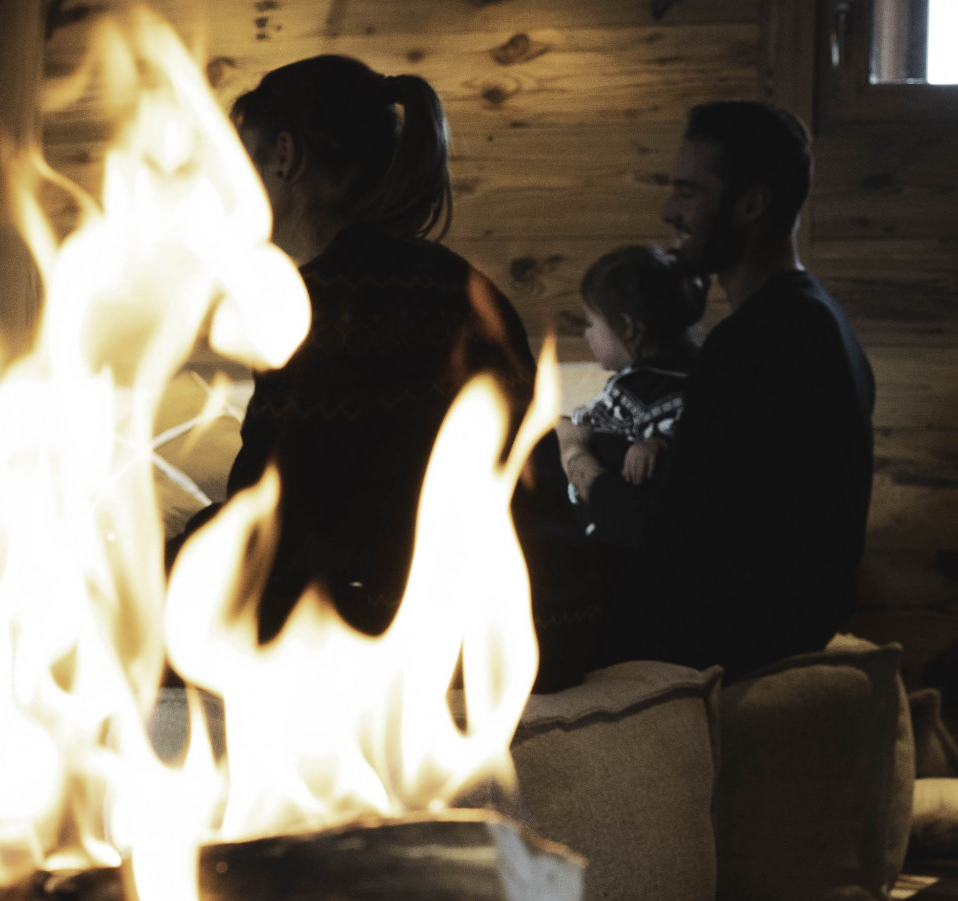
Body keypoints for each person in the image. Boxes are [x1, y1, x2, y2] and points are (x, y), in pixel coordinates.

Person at [197, 55, 537, 641]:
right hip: (537, 619)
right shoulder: (464, 284)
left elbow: (267, 524)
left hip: (406, 625)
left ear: (284, 155)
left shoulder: (320, 304)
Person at [561, 101, 875, 677]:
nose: (667, 211)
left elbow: (671, 543)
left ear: (751, 204)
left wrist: (580, 464)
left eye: (687, 192)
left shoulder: (761, 342)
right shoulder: (814, 319)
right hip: (757, 616)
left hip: (734, 637)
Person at [554, 245, 707, 543]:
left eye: (591, 323)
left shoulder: (672, 384)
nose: (586, 334)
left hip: (616, 533)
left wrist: (659, 444)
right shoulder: (635, 378)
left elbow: (691, 430)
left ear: (626, 327)